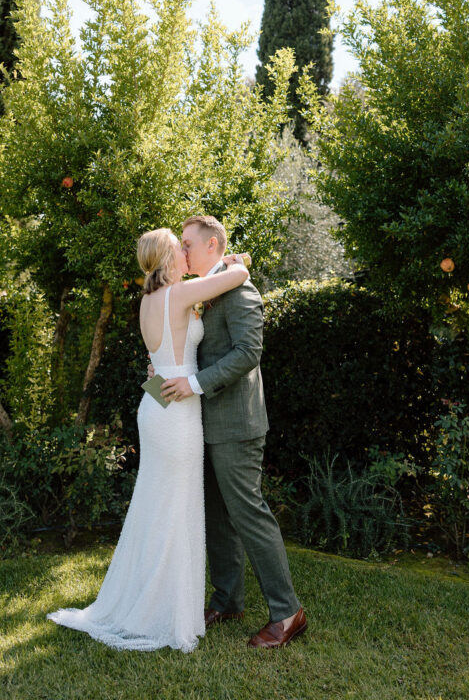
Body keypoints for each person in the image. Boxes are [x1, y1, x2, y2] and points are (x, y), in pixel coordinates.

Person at [46, 227, 249, 653]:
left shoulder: (147, 302)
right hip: (177, 417)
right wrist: (235, 262)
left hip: (156, 408)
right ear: (168, 259)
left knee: (157, 508)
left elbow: (158, 367)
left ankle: (151, 602)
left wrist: (166, 386)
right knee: (177, 510)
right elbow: (236, 278)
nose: (186, 257)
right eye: (181, 250)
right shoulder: (178, 295)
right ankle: (168, 615)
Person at [159, 215, 306, 649]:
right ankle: (227, 599)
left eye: (187, 244)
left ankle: (287, 612)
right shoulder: (207, 288)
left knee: (249, 514)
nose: (181, 252)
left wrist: (194, 383)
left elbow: (248, 351)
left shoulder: (240, 289)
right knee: (218, 517)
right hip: (203, 423)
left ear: (213, 245)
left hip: (237, 425)